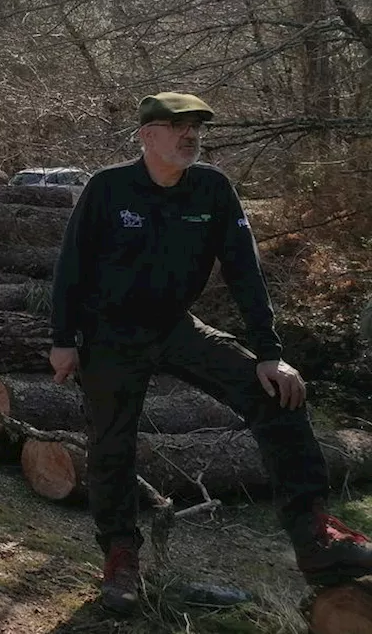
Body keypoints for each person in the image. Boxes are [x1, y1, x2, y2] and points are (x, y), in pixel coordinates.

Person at [49, 91, 372, 615]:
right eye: (178, 126)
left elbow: (244, 270)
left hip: (176, 327)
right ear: (147, 135)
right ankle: (120, 556)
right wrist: (63, 339)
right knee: (111, 442)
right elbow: (70, 267)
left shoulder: (212, 188)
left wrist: (271, 353)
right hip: (110, 333)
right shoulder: (108, 188)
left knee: (277, 394)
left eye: (197, 126)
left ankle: (316, 536)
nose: (190, 135)